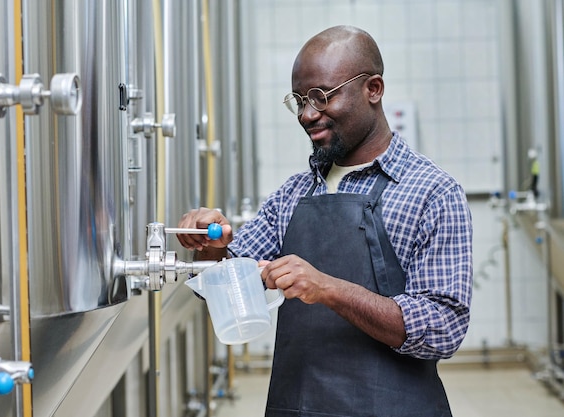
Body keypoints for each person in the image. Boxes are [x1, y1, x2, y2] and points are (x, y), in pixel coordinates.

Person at [177, 25, 472, 417]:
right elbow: (223, 287)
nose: (307, 114)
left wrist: (328, 289)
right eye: (298, 100)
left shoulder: (431, 192)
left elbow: (442, 329)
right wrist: (212, 244)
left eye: (321, 96)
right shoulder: (293, 193)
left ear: (374, 89)